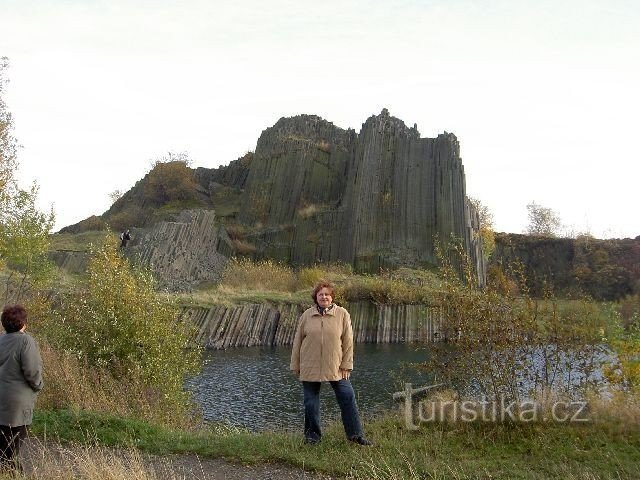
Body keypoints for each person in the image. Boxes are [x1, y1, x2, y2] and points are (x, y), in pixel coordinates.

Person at [290, 281, 372, 446]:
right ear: (316, 297)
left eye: (327, 294)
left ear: (332, 297)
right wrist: (295, 364)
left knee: (347, 396)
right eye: (321, 294)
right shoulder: (306, 315)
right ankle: (312, 437)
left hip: (336, 365)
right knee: (310, 403)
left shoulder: (342, 314)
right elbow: (297, 341)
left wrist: (347, 364)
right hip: (309, 364)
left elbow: (348, 341)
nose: (324, 297)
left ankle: (355, 436)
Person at [0, 305, 44, 474]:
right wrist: (38, 385)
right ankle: (13, 475)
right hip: (17, 404)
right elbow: (32, 371)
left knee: (3, 447)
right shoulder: (25, 341)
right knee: (11, 449)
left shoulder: (1, 340)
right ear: (23, 323)